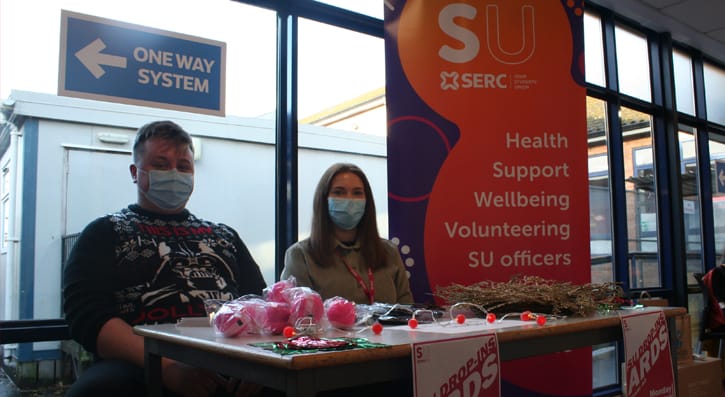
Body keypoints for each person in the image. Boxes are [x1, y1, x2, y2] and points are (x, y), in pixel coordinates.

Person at [63, 120, 267, 397]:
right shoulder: (105, 232)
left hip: (231, 362)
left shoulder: (225, 236)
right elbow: (87, 316)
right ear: (136, 172)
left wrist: (257, 363)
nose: (174, 173)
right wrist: (167, 368)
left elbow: (258, 305)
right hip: (138, 365)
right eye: (161, 164)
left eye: (183, 167)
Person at [281, 162, 413, 305]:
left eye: (357, 193)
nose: (349, 200)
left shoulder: (389, 252)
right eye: (338, 192)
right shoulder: (300, 256)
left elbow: (407, 311)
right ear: (323, 200)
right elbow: (299, 318)